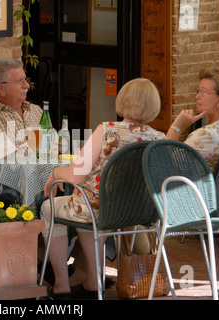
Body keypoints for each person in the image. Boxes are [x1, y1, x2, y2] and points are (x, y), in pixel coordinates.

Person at [40, 78, 166, 299]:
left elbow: (75, 175)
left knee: (48, 207)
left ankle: (61, 284)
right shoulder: (159, 138)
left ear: (123, 101)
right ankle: (92, 279)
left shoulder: (107, 130)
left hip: (96, 208)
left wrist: (54, 174)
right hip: (135, 213)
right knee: (91, 212)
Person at [0, 57, 43, 148]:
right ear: (1, 89)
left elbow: (53, 148)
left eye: (25, 80)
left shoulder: (36, 111)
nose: (26, 85)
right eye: (20, 81)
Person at [166, 67, 219, 171]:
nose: (197, 96)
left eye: (203, 92)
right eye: (198, 91)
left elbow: (164, 161)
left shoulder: (206, 135)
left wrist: (177, 127)